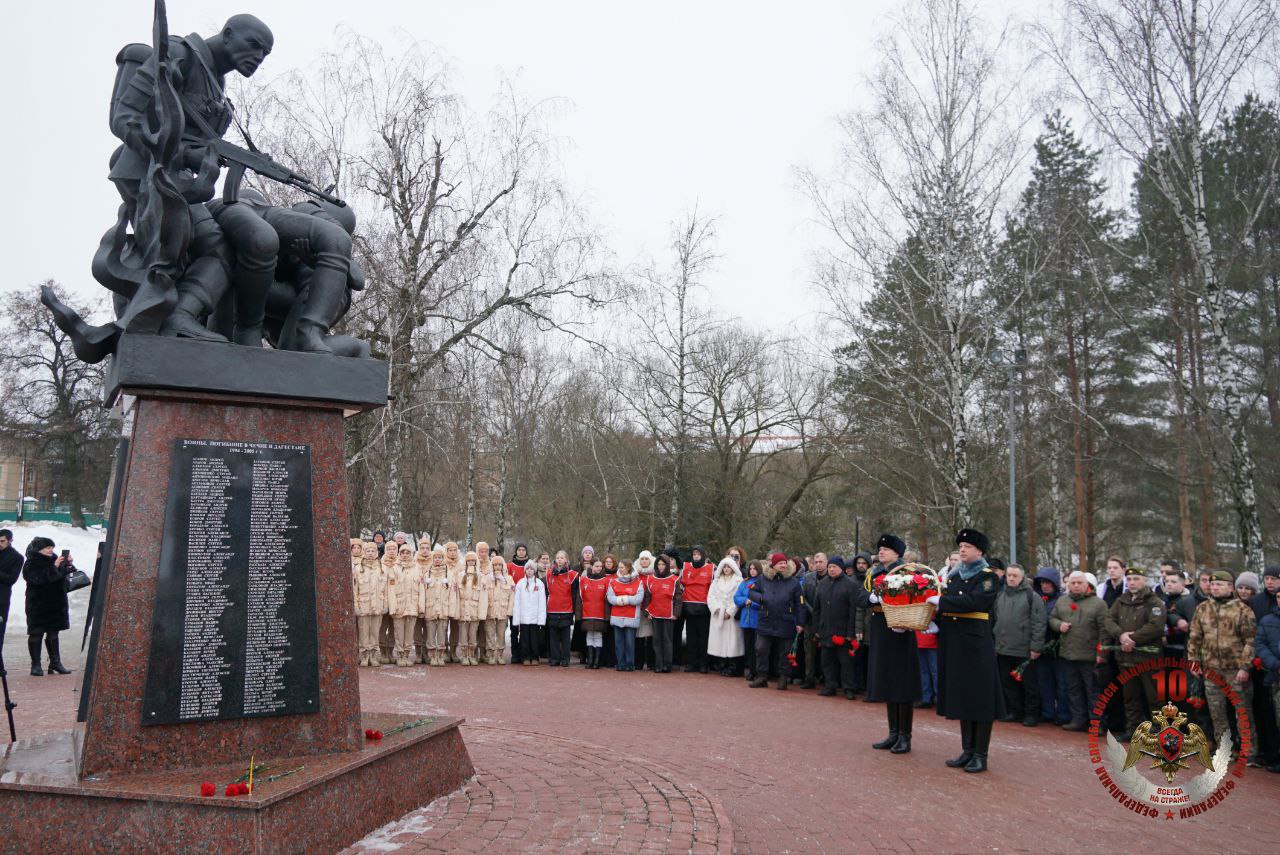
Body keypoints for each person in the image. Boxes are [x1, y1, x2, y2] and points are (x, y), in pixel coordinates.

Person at [927, 528, 1004, 773]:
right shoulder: (954, 575)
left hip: (975, 642)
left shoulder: (987, 576)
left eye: (967, 546)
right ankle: (967, 750)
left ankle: (980, 754)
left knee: (979, 697)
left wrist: (943, 603)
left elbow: (977, 602)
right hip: (955, 640)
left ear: (979, 551)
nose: (962, 549)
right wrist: (934, 619)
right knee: (963, 695)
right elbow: (948, 603)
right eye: (960, 546)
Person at [1188, 571, 1257, 759]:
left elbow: (1250, 641)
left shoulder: (1243, 610)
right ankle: (1223, 750)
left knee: (1242, 712)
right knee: (1217, 713)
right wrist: (1194, 661)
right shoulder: (1203, 608)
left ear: (1230, 587)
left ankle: (1249, 751)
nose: (1215, 587)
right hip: (1211, 670)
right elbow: (1195, 637)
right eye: (1213, 584)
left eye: (1220, 584)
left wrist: (1244, 667)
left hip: (1235, 670)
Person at [864, 534, 919, 754]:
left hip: (901, 630)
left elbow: (917, 597)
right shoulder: (875, 573)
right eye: (880, 548)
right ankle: (893, 733)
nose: (881, 551)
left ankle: (905, 736)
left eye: (886, 549)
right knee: (888, 681)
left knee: (902, 684)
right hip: (881, 629)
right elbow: (860, 596)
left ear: (898, 553)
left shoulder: (907, 572)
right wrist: (871, 598)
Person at [1102, 567, 1165, 740]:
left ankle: (1159, 731)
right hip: (1126, 658)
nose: (1131, 583)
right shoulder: (1122, 600)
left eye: (1136, 579)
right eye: (1129, 580)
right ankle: (1133, 730)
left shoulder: (1154, 602)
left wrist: (1133, 639)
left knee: (1154, 697)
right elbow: (1109, 619)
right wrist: (1121, 635)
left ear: (1144, 580)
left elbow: (1156, 626)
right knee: (1130, 697)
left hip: (1148, 659)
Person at [1050, 571, 1109, 731]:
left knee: (1093, 692)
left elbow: (1105, 631)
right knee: (1073, 689)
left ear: (1087, 584)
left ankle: (1097, 723)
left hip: (1090, 656)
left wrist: (1102, 653)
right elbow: (1052, 618)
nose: (1076, 585)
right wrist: (1058, 625)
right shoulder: (1062, 601)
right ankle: (1078, 720)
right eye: (1073, 582)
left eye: (1079, 583)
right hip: (1068, 654)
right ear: (1068, 584)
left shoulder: (1098, 604)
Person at [992, 563, 1047, 726]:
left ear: (1022, 577)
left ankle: (1031, 714)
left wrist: (1036, 647)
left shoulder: (1032, 596)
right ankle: (1014, 711)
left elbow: (1039, 623)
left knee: (1029, 685)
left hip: (1024, 650)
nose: (1011, 578)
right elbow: (995, 620)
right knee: (1007, 683)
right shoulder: (1000, 596)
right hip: (1003, 648)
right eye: (1009, 575)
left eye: (1015, 575)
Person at [747, 552, 803, 690]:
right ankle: (762, 677)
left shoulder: (794, 582)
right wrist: (760, 598)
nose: (783, 565)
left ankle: (783, 678)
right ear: (773, 565)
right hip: (766, 620)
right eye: (780, 563)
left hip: (786, 621)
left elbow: (800, 604)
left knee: (784, 652)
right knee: (761, 649)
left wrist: (800, 623)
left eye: (784, 563)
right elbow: (751, 592)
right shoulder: (762, 579)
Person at [812, 555, 860, 699]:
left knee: (846, 663)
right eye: (830, 567)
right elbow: (816, 608)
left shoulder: (851, 585)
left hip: (843, 631)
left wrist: (850, 633)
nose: (831, 569)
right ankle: (830, 686)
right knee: (827, 661)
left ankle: (849, 688)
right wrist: (817, 630)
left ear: (841, 568)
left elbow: (853, 610)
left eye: (834, 567)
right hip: (825, 630)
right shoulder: (823, 583)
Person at [23, 537, 72, 676]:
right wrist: (54, 567)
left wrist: (68, 565)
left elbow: (63, 577)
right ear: (39, 549)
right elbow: (36, 579)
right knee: (36, 633)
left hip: (56, 603)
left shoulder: (56, 559)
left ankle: (55, 663)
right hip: (38, 604)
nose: (51, 550)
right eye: (48, 548)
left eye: (52, 547)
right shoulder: (31, 563)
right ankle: (36, 665)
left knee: (53, 632)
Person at [1248, 567, 1280, 771]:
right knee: (1274, 717)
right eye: (1266, 578)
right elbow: (1260, 644)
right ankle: (1273, 754)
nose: (1269, 581)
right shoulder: (1267, 619)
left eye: (1273, 578)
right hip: (1274, 674)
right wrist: (1275, 664)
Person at [1033, 567, 1070, 725]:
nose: (1044, 586)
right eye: (1041, 583)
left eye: (1047, 582)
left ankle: (1062, 714)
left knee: (1061, 683)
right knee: (1044, 682)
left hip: (1058, 648)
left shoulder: (1062, 600)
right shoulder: (1038, 599)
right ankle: (1048, 712)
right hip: (1042, 647)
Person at [707, 556, 745, 676]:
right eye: (724, 567)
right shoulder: (716, 581)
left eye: (729, 566)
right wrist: (717, 609)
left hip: (731, 617)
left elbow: (738, 597)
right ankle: (721, 664)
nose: (726, 569)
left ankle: (733, 666)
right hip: (718, 615)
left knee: (732, 641)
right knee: (719, 640)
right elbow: (710, 597)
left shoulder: (739, 581)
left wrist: (729, 612)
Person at [645, 554, 682, 673]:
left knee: (667, 640)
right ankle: (658, 664)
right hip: (655, 614)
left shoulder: (674, 579)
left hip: (668, 615)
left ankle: (667, 664)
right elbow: (647, 597)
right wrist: (647, 612)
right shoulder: (650, 579)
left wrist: (676, 614)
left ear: (667, 565)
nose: (661, 567)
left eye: (663, 564)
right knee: (656, 640)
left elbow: (678, 599)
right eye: (659, 564)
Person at [680, 546, 715, 673]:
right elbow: (680, 585)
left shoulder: (711, 569)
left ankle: (703, 664)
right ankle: (692, 663)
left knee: (703, 638)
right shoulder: (685, 568)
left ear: (703, 555)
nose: (696, 556)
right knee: (691, 637)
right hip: (689, 608)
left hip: (704, 609)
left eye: (698, 554)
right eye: (694, 554)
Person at [608, 559, 645, 671]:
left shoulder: (638, 582)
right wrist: (626, 599)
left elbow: (639, 599)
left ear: (628, 568)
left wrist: (623, 599)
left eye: (622, 567)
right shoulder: (613, 582)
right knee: (618, 643)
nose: (620, 569)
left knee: (630, 643)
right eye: (619, 567)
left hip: (631, 616)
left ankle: (630, 664)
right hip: (617, 616)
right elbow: (610, 598)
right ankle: (620, 663)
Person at [798, 552, 828, 689]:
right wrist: (812, 611)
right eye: (816, 562)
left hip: (827, 620)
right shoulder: (807, 578)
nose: (818, 565)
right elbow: (802, 598)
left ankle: (826, 679)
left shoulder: (831, 578)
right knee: (809, 651)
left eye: (821, 562)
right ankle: (809, 678)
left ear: (826, 562)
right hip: (810, 620)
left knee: (827, 652)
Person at [353, 541, 385, 666]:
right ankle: (364, 655)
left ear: (376, 552)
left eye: (373, 551)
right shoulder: (358, 569)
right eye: (368, 551)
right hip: (363, 606)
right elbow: (355, 590)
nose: (370, 553)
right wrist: (355, 606)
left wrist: (385, 605)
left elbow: (386, 589)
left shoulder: (382, 568)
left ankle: (373, 655)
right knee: (363, 632)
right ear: (364, 553)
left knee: (375, 631)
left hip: (378, 605)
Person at [421, 545, 454, 666]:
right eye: (435, 558)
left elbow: (453, 594)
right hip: (430, 608)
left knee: (442, 632)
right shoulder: (426, 574)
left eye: (440, 557)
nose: (438, 560)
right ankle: (432, 656)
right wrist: (422, 608)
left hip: (444, 609)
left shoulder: (449, 574)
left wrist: (452, 610)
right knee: (430, 633)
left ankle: (440, 655)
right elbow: (422, 592)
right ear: (432, 559)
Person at [546, 551, 579, 667]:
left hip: (566, 610)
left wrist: (574, 611)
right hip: (552, 609)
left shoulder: (573, 575)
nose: (559, 560)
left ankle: (565, 659)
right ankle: (555, 658)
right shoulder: (548, 574)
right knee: (553, 637)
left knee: (565, 638)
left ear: (566, 560)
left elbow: (575, 595)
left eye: (562, 558)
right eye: (557, 558)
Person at [455, 552, 488, 666]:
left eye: (473, 560)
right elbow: (457, 596)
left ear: (476, 562)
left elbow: (483, 597)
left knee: (473, 634)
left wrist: (481, 613)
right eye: (469, 561)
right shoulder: (460, 576)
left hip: (474, 611)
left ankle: (472, 655)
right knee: (463, 634)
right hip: (463, 610)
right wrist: (457, 611)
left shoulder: (480, 576)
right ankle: (464, 656)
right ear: (465, 562)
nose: (471, 562)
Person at [579, 558, 611, 669]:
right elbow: (580, 598)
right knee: (589, 635)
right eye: (596, 566)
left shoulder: (606, 581)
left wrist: (607, 616)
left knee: (598, 635)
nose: (598, 568)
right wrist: (579, 615)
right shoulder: (583, 580)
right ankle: (590, 660)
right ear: (591, 566)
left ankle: (597, 661)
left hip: (600, 613)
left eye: (600, 566)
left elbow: (608, 599)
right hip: (587, 613)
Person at [512, 559, 546, 665]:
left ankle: (535, 657)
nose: (530, 571)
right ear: (525, 570)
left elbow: (542, 602)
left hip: (535, 616)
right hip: (524, 616)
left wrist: (541, 618)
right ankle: (525, 657)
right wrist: (517, 617)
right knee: (524, 637)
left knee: (535, 638)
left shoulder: (539, 584)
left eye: (532, 569)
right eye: (528, 569)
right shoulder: (520, 584)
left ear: (535, 571)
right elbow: (517, 601)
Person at [735, 562, 762, 682]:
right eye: (750, 568)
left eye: (754, 569)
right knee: (748, 646)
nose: (752, 571)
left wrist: (753, 603)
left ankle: (758, 671)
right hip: (746, 619)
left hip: (757, 619)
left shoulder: (762, 582)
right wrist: (745, 600)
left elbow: (764, 599)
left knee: (757, 648)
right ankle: (751, 670)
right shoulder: (744, 582)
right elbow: (736, 597)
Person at [634, 550, 657, 670]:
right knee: (638, 636)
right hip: (638, 609)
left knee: (651, 636)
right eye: (642, 559)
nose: (644, 561)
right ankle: (638, 662)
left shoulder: (655, 574)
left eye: (646, 559)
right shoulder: (635, 574)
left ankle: (651, 662)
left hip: (652, 610)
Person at [0, 529, 22, 649]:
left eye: (2, 541)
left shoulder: (16, 557)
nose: (0, 543)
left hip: (1, 600)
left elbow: (11, 579)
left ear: (10, 541)